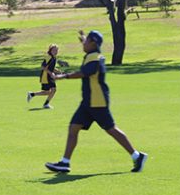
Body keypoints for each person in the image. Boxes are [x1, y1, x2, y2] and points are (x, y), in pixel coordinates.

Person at [44, 30, 148, 173]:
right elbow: (90, 47)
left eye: (87, 42)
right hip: (88, 102)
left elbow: (85, 73)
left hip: (97, 102)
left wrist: (64, 76)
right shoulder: (93, 54)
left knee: (111, 129)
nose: (84, 44)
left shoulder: (94, 58)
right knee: (74, 128)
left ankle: (137, 156)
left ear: (93, 43)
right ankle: (65, 163)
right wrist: (83, 39)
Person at [27, 44, 62, 109]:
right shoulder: (48, 57)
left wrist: (58, 71)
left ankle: (32, 94)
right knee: (52, 90)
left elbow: (51, 68)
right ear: (50, 50)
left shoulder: (54, 58)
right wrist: (51, 73)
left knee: (49, 92)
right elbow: (43, 67)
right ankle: (46, 104)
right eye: (54, 50)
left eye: (57, 50)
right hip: (45, 77)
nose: (56, 51)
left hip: (49, 76)